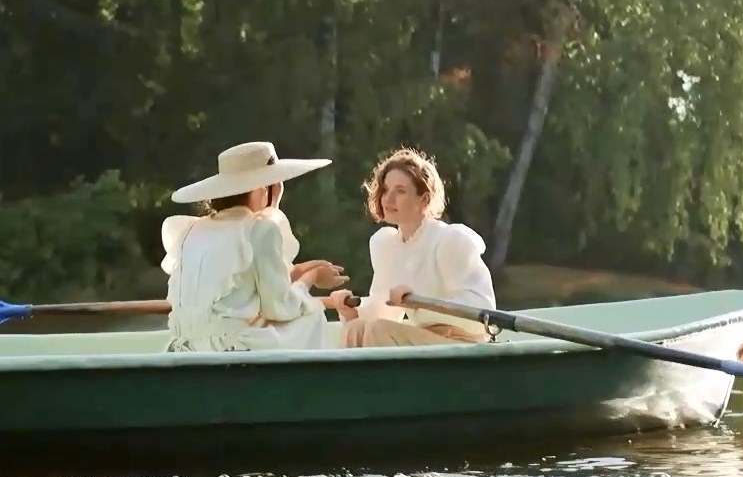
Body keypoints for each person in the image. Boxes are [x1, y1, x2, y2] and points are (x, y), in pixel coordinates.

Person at [160, 140, 349, 352]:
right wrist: (311, 278)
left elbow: (249, 279)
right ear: (263, 187)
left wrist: (301, 269)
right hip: (231, 348)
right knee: (312, 316)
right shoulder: (259, 229)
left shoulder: (191, 230)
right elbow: (279, 307)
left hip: (187, 346)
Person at [335, 147, 497, 348]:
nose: (388, 199)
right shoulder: (386, 245)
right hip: (423, 339)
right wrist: (351, 312)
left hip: (462, 343)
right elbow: (383, 312)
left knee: (377, 331)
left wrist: (418, 302)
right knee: (355, 328)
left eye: (400, 191)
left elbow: (483, 313)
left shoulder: (449, 240)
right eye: (385, 189)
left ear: (424, 198)